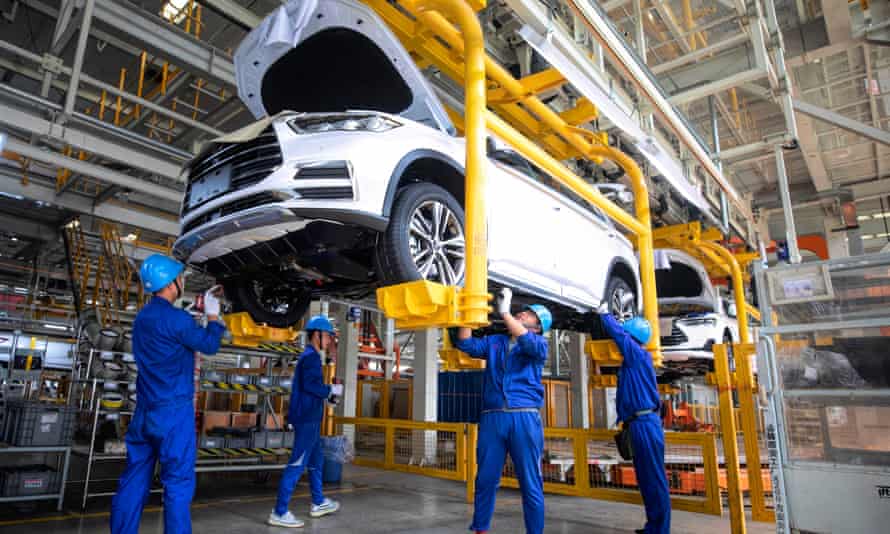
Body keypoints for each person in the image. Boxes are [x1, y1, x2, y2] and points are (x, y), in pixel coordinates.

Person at [111, 254, 226, 534]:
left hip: (144, 412)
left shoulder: (142, 319)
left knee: (134, 479)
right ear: (171, 282)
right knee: (177, 484)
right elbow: (209, 344)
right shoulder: (178, 319)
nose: (183, 281)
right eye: (180, 277)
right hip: (173, 415)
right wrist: (213, 316)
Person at [454, 288, 551, 534]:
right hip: (492, 416)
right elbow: (465, 343)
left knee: (530, 483)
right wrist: (467, 312)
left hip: (524, 416)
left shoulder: (539, 344)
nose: (522, 313)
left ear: (538, 326)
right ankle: (480, 529)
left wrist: (506, 313)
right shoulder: (496, 342)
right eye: (522, 311)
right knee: (485, 479)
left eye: (528, 314)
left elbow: (526, 341)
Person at [268, 314, 343, 527]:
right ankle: (279, 511)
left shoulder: (310, 356)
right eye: (327, 337)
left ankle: (318, 501)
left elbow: (310, 387)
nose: (329, 341)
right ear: (316, 335)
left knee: (316, 460)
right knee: (297, 463)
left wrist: (327, 395)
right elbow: (311, 386)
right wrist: (330, 391)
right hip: (307, 418)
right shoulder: (310, 358)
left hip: (310, 416)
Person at [598, 311, 670, 534]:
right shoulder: (633, 361)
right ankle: (653, 527)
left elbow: (620, 336)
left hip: (645, 425)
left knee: (654, 480)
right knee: (647, 479)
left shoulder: (637, 355)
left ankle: (660, 530)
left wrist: (605, 315)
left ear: (632, 337)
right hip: (639, 424)